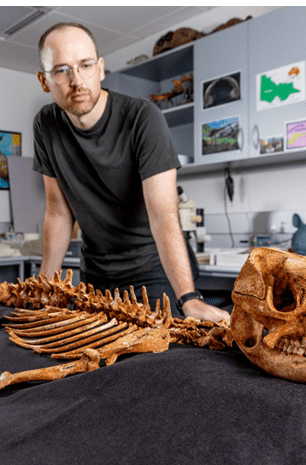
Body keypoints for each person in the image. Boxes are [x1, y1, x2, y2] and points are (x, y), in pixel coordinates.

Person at [33, 22, 230, 324]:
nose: (77, 81)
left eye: (85, 65)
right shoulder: (46, 124)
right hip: (96, 272)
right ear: (44, 81)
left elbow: (163, 215)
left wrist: (189, 298)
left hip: (153, 271)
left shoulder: (142, 117)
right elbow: (59, 212)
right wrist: (44, 287)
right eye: (62, 70)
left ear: (100, 69)